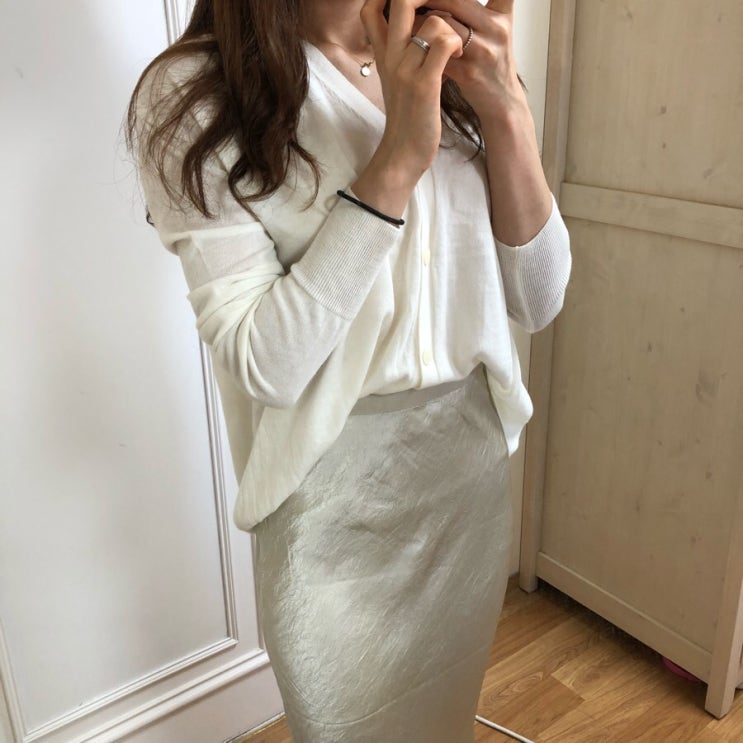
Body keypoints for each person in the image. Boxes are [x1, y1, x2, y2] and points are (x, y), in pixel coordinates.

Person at [128, 0, 571, 740]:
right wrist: (396, 159)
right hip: (329, 502)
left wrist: (505, 109)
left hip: (467, 476)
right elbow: (265, 363)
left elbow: (539, 298)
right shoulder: (196, 92)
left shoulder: (451, 55)